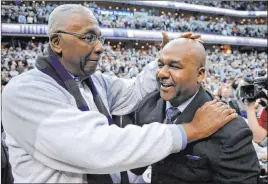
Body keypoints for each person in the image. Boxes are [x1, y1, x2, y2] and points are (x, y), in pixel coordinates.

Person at [2, 4, 237, 183]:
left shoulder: (95, 82)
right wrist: (189, 130)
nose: (100, 46)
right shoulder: (25, 91)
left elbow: (134, 92)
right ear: (56, 42)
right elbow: (94, 147)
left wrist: (165, 59)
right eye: (88, 37)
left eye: (99, 38)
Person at [130, 38, 260, 184]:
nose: (161, 73)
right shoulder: (148, 105)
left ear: (200, 74)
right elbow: (136, 165)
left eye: (175, 66)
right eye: (160, 65)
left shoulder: (230, 128)